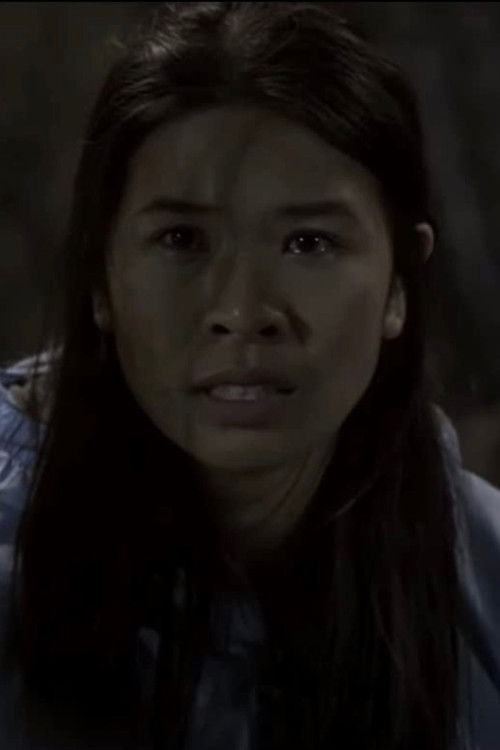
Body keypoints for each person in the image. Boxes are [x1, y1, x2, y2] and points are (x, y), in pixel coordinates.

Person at [0, 2, 499, 748]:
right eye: (182, 239)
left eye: (309, 243)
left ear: (400, 283)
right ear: (100, 278)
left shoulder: (479, 576)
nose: (242, 311)